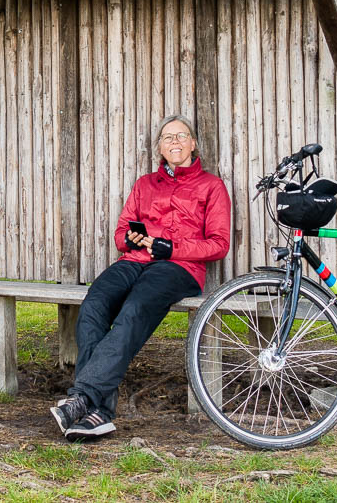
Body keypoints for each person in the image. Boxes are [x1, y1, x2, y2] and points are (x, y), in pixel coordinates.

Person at [50, 114, 231, 441]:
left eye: (181, 136)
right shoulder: (145, 184)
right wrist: (130, 239)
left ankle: (84, 398)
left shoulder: (211, 186)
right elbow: (121, 232)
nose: (174, 142)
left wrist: (171, 247)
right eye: (167, 138)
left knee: (134, 309)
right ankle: (98, 414)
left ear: (193, 144)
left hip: (178, 268)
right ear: (160, 148)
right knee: (94, 305)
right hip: (134, 260)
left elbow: (218, 244)